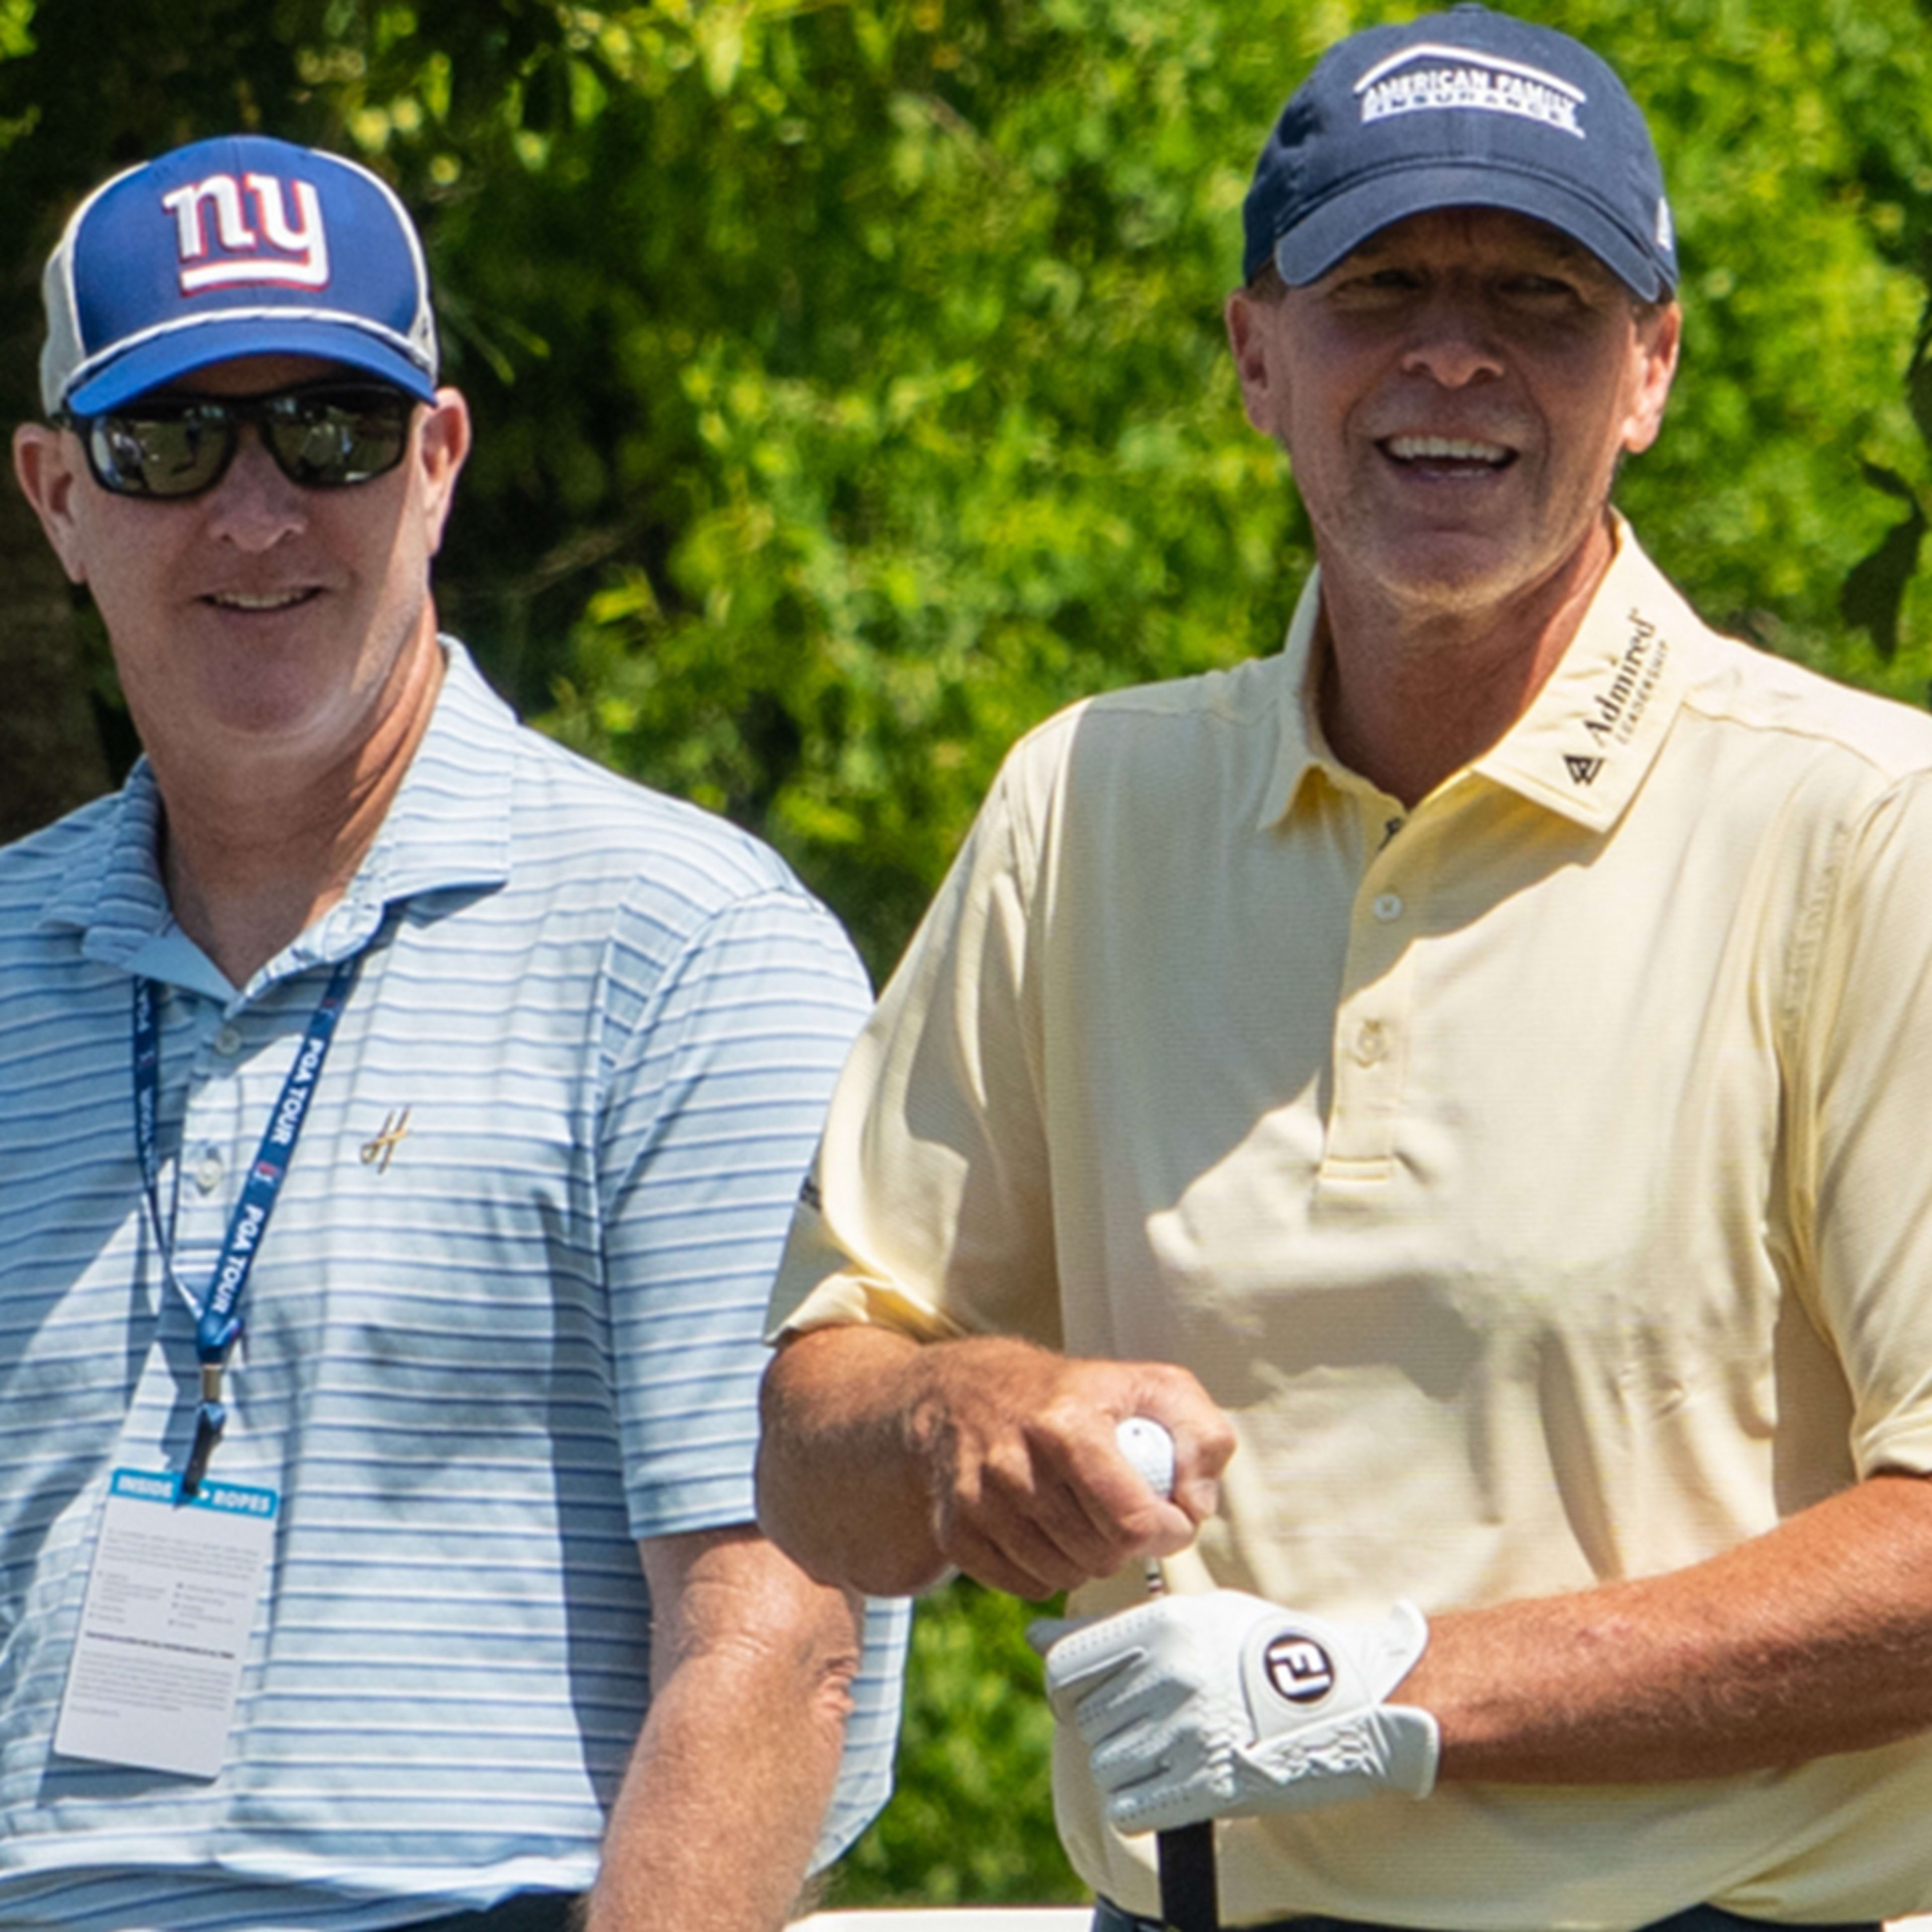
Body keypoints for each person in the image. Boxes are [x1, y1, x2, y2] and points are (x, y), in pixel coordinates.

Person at [754, 7, 1932, 1930]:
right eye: (1379, 284)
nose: (1452, 351)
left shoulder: (1867, 824)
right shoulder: (1090, 800)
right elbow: (819, 1455)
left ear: (1649, 370)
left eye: (1540, 299)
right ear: (1255, 355)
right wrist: (965, 1414)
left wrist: (1369, 1688)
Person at [0, 133, 907, 1932]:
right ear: (57, 496)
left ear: (437, 461)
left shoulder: (688, 953)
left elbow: (775, 1631)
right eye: (171, 441)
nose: (256, 514)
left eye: (329, 427)